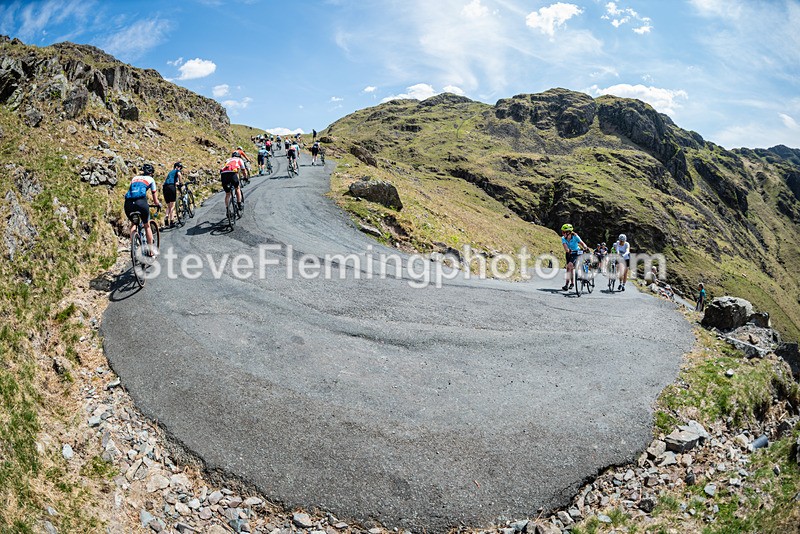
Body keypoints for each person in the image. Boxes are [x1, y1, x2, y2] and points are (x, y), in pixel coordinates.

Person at [124, 163, 161, 255]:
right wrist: (158, 204)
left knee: (133, 224)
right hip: (141, 202)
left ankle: (133, 247)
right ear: (151, 173)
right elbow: (155, 200)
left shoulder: (135, 178)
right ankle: (151, 251)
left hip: (128, 203)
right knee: (147, 225)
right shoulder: (151, 179)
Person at [560, 223, 590, 291]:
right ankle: (570, 284)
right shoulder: (563, 238)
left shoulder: (575, 237)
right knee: (569, 268)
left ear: (568, 232)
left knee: (570, 265)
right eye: (562, 232)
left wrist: (585, 247)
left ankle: (584, 274)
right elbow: (565, 247)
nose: (562, 233)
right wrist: (568, 250)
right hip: (569, 253)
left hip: (577, 252)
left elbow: (582, 243)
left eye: (564, 232)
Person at [162, 162, 183, 227]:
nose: (180, 169)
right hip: (171, 187)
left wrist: (177, 183)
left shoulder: (170, 173)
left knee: (168, 205)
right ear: (177, 167)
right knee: (173, 205)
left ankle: (166, 216)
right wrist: (181, 182)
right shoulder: (177, 170)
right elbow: (179, 175)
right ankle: (171, 221)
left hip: (165, 187)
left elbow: (174, 182)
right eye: (180, 167)